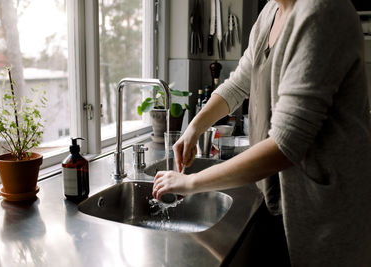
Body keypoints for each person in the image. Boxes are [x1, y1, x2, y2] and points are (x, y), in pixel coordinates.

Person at [152, 0, 371, 266]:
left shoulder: (322, 11)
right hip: (277, 201)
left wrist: (191, 182)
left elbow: (286, 144)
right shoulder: (271, 11)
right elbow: (239, 83)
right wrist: (196, 126)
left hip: (325, 211)